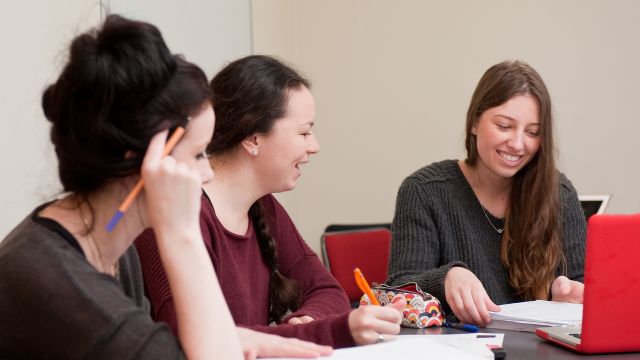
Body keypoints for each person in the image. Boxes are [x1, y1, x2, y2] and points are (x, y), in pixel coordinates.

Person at [0, 15, 330, 360]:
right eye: (199, 154)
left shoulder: (115, 246)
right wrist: (180, 232)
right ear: (144, 160)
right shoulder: (52, 275)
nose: (206, 174)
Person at [136, 55, 405, 348]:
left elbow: (328, 290)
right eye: (304, 132)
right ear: (253, 139)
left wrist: (308, 321)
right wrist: (327, 330)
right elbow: (204, 341)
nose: (314, 146)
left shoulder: (265, 207)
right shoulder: (180, 216)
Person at [387, 60, 587, 327]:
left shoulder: (558, 193)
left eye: (532, 132)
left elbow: (586, 285)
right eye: (504, 126)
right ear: (474, 123)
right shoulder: (424, 191)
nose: (517, 144)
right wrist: (446, 278)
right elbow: (398, 293)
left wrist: (575, 296)